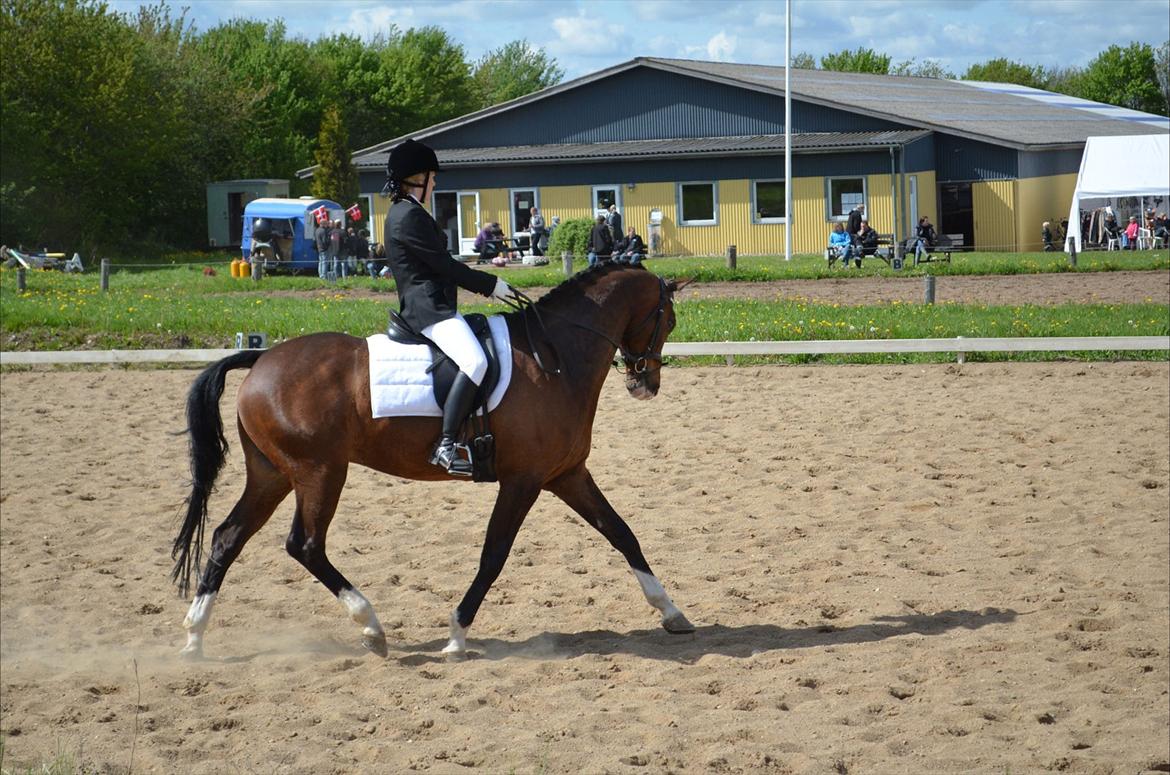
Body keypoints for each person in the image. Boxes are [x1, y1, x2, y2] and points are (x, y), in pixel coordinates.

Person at [383, 138, 516, 476]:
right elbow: (444, 266)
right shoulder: (408, 215)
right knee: (474, 361)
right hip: (428, 310)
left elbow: (441, 261)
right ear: (417, 178)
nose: (436, 182)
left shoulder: (408, 212)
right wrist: (491, 285)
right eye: (432, 176)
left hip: (435, 304)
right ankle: (445, 443)